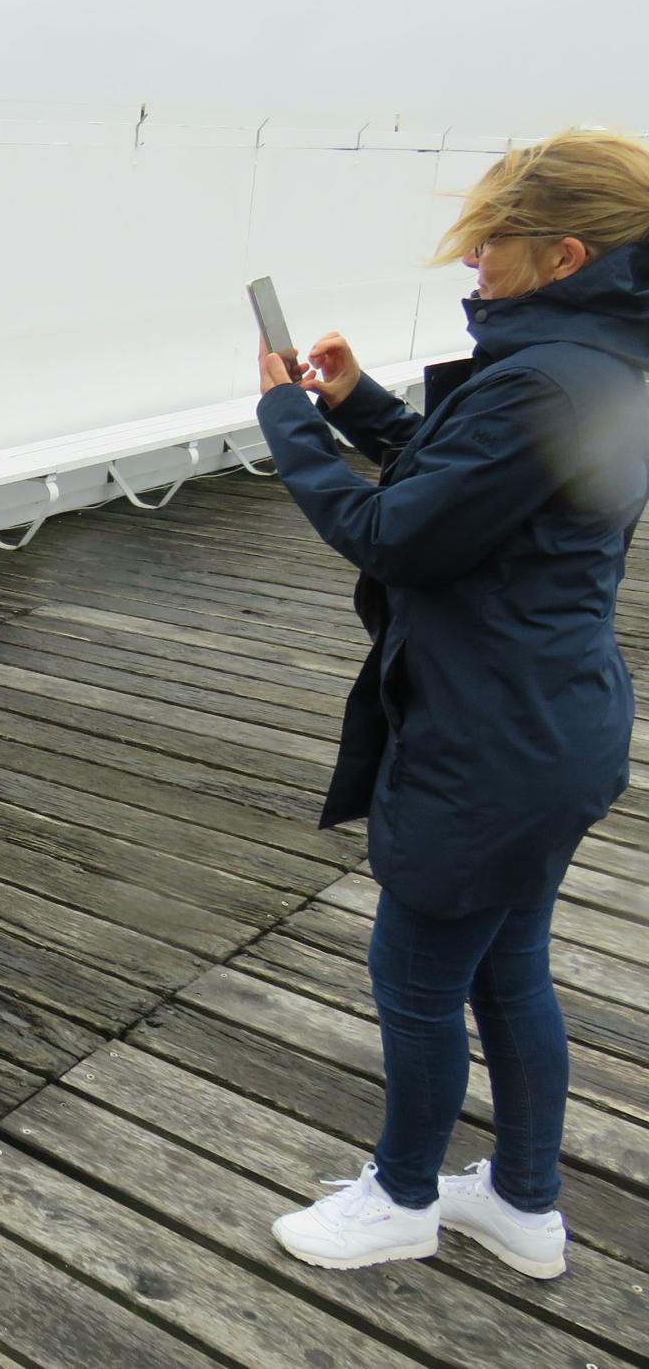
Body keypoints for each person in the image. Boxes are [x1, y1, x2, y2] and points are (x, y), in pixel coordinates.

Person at [258, 131, 649, 1277]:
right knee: (506, 966)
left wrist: (286, 425)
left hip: (488, 740)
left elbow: (395, 535)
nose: (471, 260)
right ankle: (523, 1202)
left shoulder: (538, 377)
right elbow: (473, 482)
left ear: (563, 254)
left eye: (488, 242)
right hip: (550, 721)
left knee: (417, 977)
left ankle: (400, 1198)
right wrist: (353, 403)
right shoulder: (597, 361)